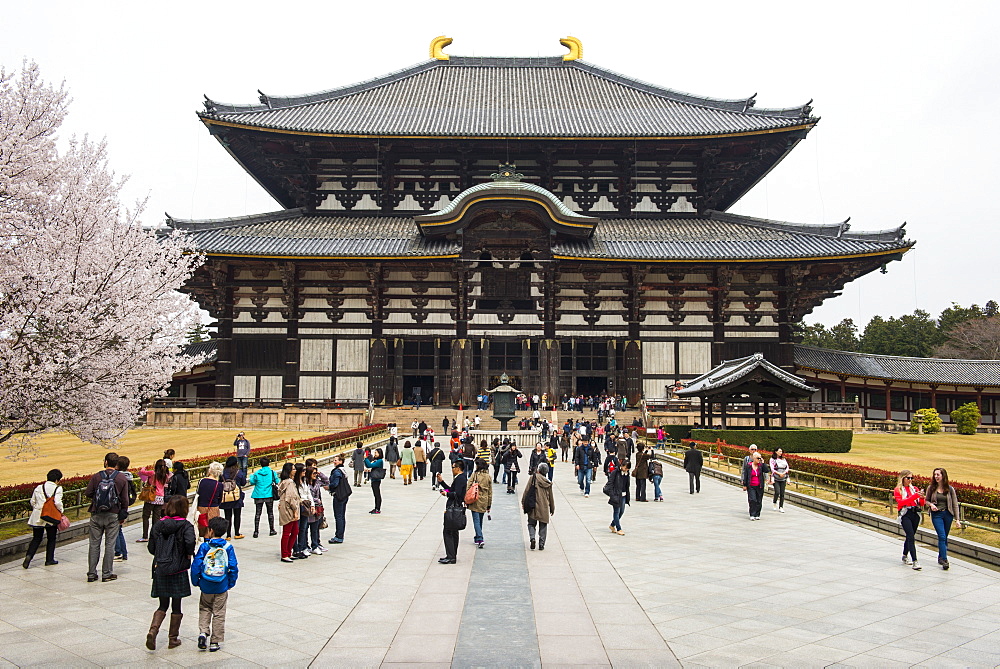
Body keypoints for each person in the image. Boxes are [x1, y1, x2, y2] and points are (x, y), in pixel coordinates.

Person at [146, 494, 197, 651]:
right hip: (178, 569)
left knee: (162, 604)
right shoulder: (185, 526)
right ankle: (173, 638)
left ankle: (153, 631)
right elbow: (190, 542)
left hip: (161, 568)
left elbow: (151, 548)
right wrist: (187, 553)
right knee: (176, 605)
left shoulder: (158, 525)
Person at [191, 516, 239, 652]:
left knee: (205, 608)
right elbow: (233, 566)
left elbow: (196, 564)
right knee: (219, 612)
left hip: (206, 584)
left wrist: (196, 581)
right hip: (221, 584)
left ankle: (203, 632)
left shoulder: (205, 546)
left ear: (210, 530)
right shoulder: (228, 547)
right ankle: (215, 641)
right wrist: (230, 582)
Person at [84, 452, 131, 583]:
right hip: (113, 514)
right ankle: (107, 573)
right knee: (110, 544)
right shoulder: (121, 478)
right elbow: (125, 500)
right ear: (117, 464)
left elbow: (88, 492)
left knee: (94, 544)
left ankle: (92, 573)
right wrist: (123, 513)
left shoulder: (96, 477)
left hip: (96, 513)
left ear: (105, 462)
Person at [23, 469, 64, 569]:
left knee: (36, 538)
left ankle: (29, 556)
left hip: (37, 515)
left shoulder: (39, 487)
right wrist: (61, 511)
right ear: (57, 480)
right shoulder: (57, 489)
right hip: (50, 516)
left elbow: (32, 501)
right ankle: (49, 559)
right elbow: (57, 503)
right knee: (51, 538)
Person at [925, 467, 963, 570]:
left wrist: (957, 519)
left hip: (948, 515)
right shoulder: (931, 488)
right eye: (935, 475)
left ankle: (940, 556)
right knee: (941, 536)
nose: (936, 477)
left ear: (943, 476)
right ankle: (945, 560)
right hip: (937, 515)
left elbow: (955, 504)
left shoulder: (950, 489)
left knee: (944, 537)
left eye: (938, 475)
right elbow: (926, 500)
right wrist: (931, 505)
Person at [438, 460, 468, 564]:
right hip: (456, 507)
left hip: (454, 508)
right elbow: (452, 489)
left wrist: (446, 494)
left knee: (448, 531)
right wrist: (442, 483)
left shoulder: (460, 478)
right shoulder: (461, 478)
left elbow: (457, 494)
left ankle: (451, 556)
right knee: (453, 531)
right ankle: (452, 555)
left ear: (458, 468)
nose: (452, 470)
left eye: (453, 467)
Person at [894, 470, 925, 570]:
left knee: (910, 536)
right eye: (908, 478)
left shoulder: (914, 489)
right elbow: (901, 502)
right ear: (903, 478)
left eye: (912, 478)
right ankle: (915, 561)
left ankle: (904, 554)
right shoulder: (898, 490)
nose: (910, 480)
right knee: (911, 536)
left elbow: (921, 503)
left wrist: (921, 497)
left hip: (914, 514)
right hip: (905, 514)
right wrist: (914, 496)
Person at [523, 463, 555, 550]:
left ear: (539, 470)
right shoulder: (548, 483)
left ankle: (532, 538)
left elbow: (526, 491)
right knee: (543, 525)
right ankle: (541, 543)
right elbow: (551, 497)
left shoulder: (533, 478)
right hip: (544, 506)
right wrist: (552, 508)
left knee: (531, 523)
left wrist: (523, 502)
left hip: (533, 505)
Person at [138, 459, 170, 542]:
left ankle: (145, 536)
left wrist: (144, 467)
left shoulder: (152, 473)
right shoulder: (165, 475)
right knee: (156, 518)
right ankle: (155, 536)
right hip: (160, 498)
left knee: (146, 516)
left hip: (151, 497)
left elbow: (142, 472)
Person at [277, 463, 301, 563]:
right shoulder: (290, 482)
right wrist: (295, 511)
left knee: (295, 531)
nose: (295, 470)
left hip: (285, 507)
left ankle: (288, 551)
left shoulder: (285, 482)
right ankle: (284, 554)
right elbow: (291, 498)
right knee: (287, 532)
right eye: (293, 469)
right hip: (289, 509)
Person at [249, 457, 278, 538]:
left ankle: (256, 531)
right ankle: (272, 529)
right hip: (269, 494)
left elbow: (252, 482)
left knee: (258, 513)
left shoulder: (257, 473)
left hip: (258, 494)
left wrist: (251, 476)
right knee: (270, 513)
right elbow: (277, 481)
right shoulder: (272, 472)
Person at [467, 458, 493, 549]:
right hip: (484, 500)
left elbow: (469, 485)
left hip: (475, 499)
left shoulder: (475, 475)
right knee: (480, 520)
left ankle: (480, 538)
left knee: (476, 520)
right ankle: (477, 537)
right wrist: (489, 504)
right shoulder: (488, 476)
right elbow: (490, 492)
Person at [219, 457, 247, 540]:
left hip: (226, 496)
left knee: (227, 516)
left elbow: (220, 482)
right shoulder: (238, 472)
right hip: (236, 496)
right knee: (237, 515)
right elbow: (243, 483)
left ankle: (228, 535)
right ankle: (237, 533)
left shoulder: (223, 473)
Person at [195, 462, 225, 540]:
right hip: (213, 508)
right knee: (212, 528)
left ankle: (205, 544)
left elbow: (198, 494)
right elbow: (220, 499)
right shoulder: (219, 485)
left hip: (201, 507)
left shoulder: (201, 481)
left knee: (203, 526)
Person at [114, 456, 136, 562]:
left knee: (116, 530)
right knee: (119, 530)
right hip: (124, 506)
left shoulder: (118, 477)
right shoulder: (129, 476)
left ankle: (118, 552)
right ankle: (123, 552)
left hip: (118, 506)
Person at [327, 454, 350, 544]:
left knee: (338, 516)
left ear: (341, 461)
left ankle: (339, 536)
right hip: (344, 495)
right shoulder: (343, 470)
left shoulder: (337, 471)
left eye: (336, 460)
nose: (334, 461)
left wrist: (328, 487)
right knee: (342, 516)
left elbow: (335, 484)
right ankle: (340, 535)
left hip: (339, 496)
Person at [741, 452, 769, 521]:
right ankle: (752, 514)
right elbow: (746, 475)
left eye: (760, 458)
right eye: (757, 458)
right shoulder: (749, 466)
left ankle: (757, 514)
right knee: (752, 499)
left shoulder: (761, 466)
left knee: (759, 500)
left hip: (759, 486)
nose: (759, 460)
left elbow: (766, 470)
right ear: (754, 458)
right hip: (751, 485)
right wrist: (744, 485)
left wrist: (763, 463)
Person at [607, 456, 630, 535]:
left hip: (623, 495)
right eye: (626, 468)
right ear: (622, 466)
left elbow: (627, 486)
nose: (626, 470)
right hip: (616, 495)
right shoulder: (615, 472)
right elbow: (610, 484)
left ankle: (612, 525)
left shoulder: (627, 474)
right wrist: (612, 495)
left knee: (621, 511)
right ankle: (619, 528)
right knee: (616, 512)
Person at [769, 448, 790, 512]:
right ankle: (774, 502)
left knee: (782, 493)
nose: (781, 452)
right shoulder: (772, 459)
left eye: (781, 451)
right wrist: (778, 473)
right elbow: (772, 468)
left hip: (783, 477)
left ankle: (781, 506)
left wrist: (784, 473)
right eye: (779, 451)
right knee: (777, 492)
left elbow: (787, 467)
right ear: (776, 452)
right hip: (775, 477)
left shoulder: (783, 459)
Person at [365, 448, 385, 514]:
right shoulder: (376, 460)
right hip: (374, 479)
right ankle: (376, 507)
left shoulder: (379, 461)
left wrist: (365, 458)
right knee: (375, 494)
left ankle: (378, 508)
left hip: (376, 479)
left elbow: (369, 465)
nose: (375, 454)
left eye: (376, 453)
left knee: (377, 494)